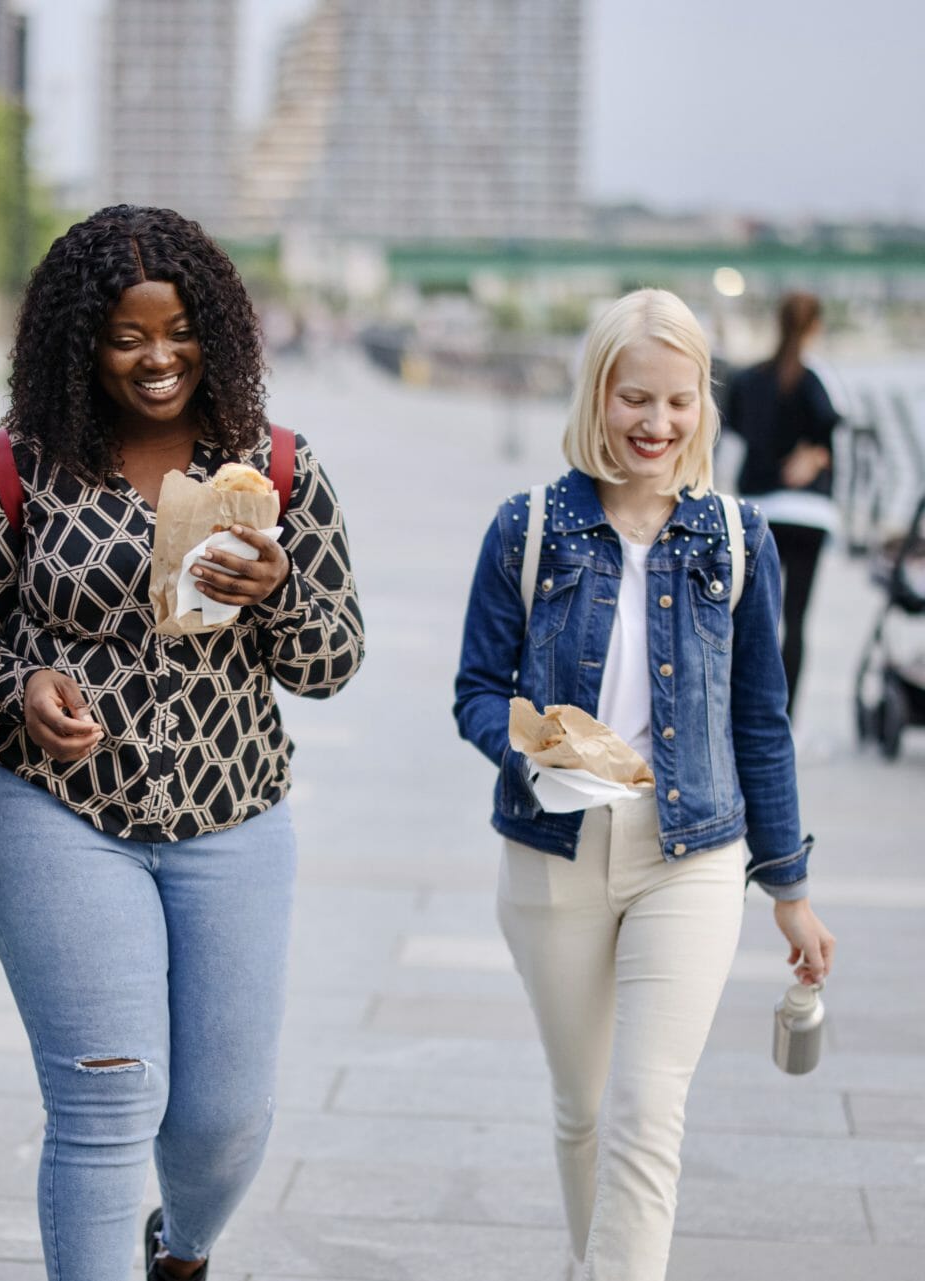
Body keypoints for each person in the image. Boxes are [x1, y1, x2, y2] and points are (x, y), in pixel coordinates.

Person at [0, 205, 364, 1281]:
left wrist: (275, 596)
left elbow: (331, 663)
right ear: (80, 340)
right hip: (53, 815)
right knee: (107, 1090)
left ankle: (182, 1253)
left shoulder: (275, 469)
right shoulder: (11, 470)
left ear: (216, 331)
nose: (156, 358)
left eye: (179, 330)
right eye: (127, 334)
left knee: (222, 1118)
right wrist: (21, 685)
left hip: (234, 819)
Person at [453, 288, 837, 1281]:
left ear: (702, 406)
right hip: (555, 853)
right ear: (598, 396)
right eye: (635, 400)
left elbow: (762, 722)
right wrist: (538, 748)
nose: (657, 425)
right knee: (583, 1112)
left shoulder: (737, 540)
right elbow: (475, 693)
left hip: (691, 859)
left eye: (678, 402)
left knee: (644, 1116)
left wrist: (788, 889)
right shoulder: (528, 529)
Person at [724, 291, 843, 718]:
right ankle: (783, 718)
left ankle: (748, 711)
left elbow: (733, 436)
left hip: (757, 513)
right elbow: (833, 435)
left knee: (756, 621)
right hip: (809, 514)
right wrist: (812, 457)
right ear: (815, 327)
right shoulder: (819, 378)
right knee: (796, 619)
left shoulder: (748, 379)